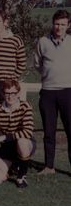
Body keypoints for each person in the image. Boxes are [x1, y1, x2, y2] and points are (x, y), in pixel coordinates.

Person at [34, 9, 71, 175]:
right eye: (57, 24)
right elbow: (37, 64)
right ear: (52, 24)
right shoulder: (43, 41)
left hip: (67, 92)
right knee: (49, 131)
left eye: (63, 24)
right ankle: (49, 166)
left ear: (68, 25)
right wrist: (49, 75)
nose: (59, 27)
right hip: (48, 92)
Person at [0, 80, 35, 188]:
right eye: (7, 93)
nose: (10, 96)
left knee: (22, 142)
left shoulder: (25, 106)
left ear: (18, 93)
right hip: (6, 148)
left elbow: (28, 131)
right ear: (2, 93)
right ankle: (13, 166)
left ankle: (21, 176)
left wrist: (4, 137)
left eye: (13, 93)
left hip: (24, 143)